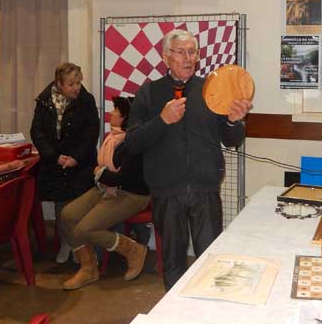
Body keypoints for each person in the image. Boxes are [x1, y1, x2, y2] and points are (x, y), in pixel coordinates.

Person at [125, 30, 251, 290]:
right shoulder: (149, 93)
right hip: (166, 192)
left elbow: (231, 139)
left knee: (211, 260)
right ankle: (175, 311)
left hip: (205, 189)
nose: (188, 58)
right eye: (181, 52)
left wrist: (233, 121)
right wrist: (162, 120)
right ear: (166, 57)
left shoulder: (211, 90)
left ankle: (211, 309)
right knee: (173, 262)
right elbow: (133, 142)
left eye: (192, 52)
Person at [59, 96, 150, 290]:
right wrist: (102, 174)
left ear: (125, 117)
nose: (111, 113)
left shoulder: (135, 143)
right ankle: (88, 269)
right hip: (106, 187)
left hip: (133, 194)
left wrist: (101, 173)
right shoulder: (113, 138)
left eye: (115, 110)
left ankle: (134, 250)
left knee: (84, 229)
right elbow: (104, 172)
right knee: (68, 215)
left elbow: (121, 178)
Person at [30, 62, 100, 263]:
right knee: (61, 208)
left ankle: (81, 248)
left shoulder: (86, 100)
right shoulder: (44, 101)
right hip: (56, 164)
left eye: (78, 82)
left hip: (81, 163)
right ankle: (65, 243)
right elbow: (37, 132)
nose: (76, 87)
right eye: (71, 84)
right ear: (59, 84)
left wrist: (76, 157)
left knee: (81, 209)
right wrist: (54, 156)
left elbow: (91, 132)